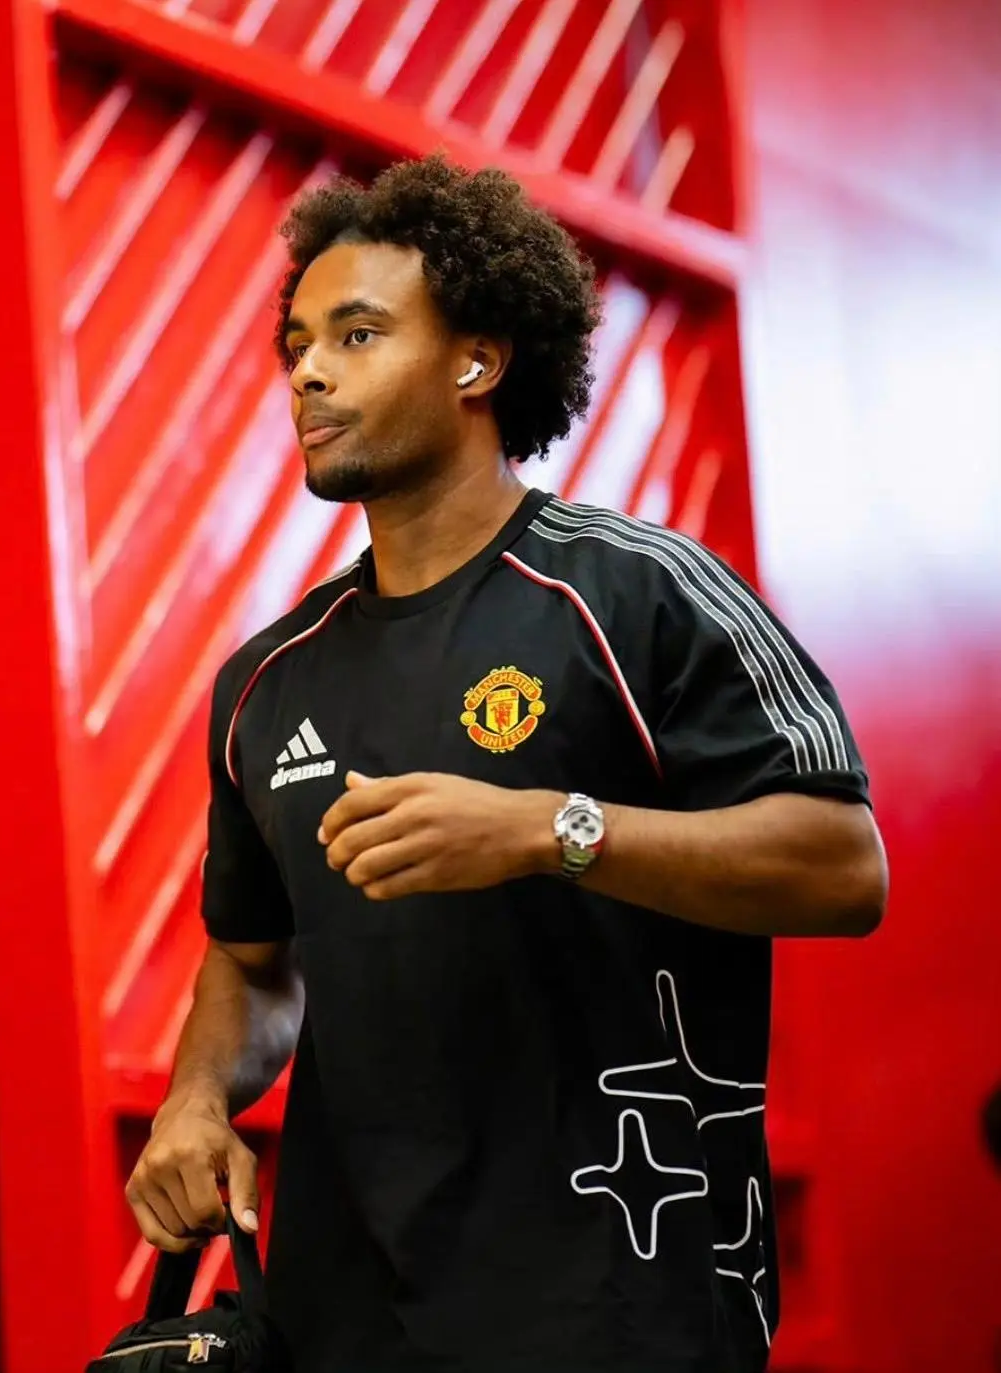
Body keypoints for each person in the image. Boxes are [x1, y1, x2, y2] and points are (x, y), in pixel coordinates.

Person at [125, 155, 888, 1373]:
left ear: (477, 364)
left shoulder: (638, 594)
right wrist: (197, 1097)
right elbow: (253, 960)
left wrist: (549, 829)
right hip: (344, 1317)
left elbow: (843, 865)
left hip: (616, 1303)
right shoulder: (266, 682)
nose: (308, 372)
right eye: (299, 344)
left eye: (358, 335)